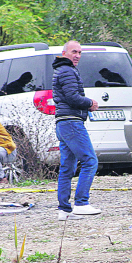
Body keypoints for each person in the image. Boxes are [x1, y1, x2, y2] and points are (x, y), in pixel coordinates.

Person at [52, 40, 101, 221]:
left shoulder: (62, 69)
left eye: (80, 52)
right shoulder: (67, 70)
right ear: (64, 53)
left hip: (63, 123)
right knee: (90, 161)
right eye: (74, 52)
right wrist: (90, 103)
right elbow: (73, 97)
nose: (77, 55)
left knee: (67, 167)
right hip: (71, 122)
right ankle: (81, 203)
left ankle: (64, 210)